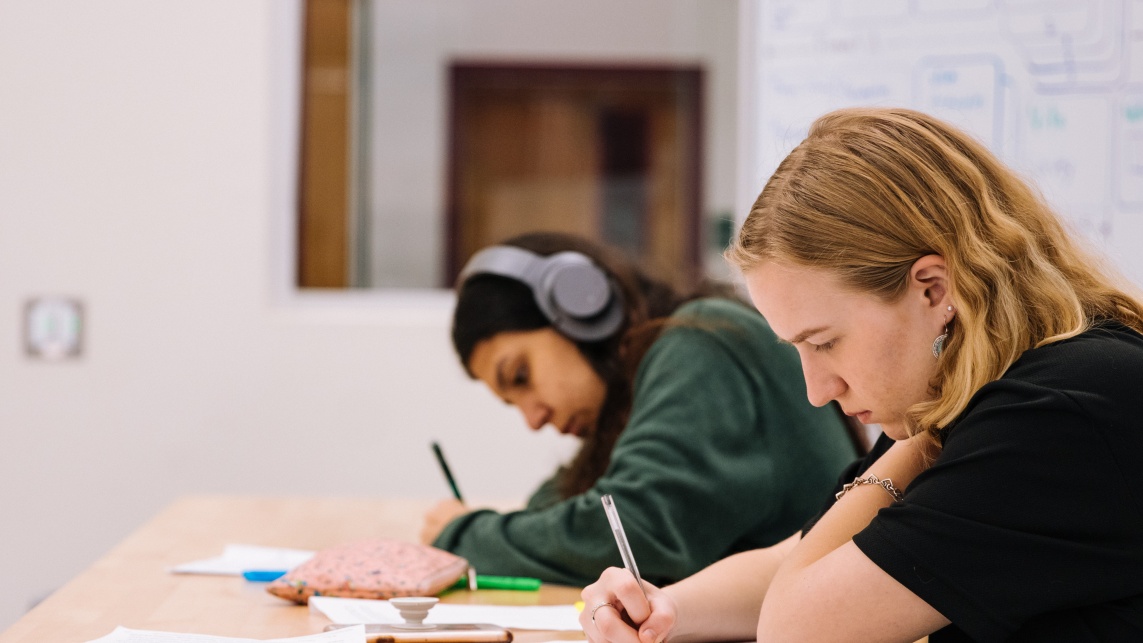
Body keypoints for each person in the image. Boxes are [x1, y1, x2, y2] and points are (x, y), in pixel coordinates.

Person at [581, 107, 1143, 642]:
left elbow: (798, 624)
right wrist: (668, 610)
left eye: (824, 342)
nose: (817, 389)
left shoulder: (1059, 410)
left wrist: (923, 438)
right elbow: (809, 556)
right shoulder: (1000, 386)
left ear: (934, 289)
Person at [419, 232, 861, 586]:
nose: (534, 419)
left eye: (520, 376)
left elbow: (632, 533)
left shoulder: (703, 344)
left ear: (579, 304)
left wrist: (462, 534)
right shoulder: (638, 387)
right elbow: (551, 513)